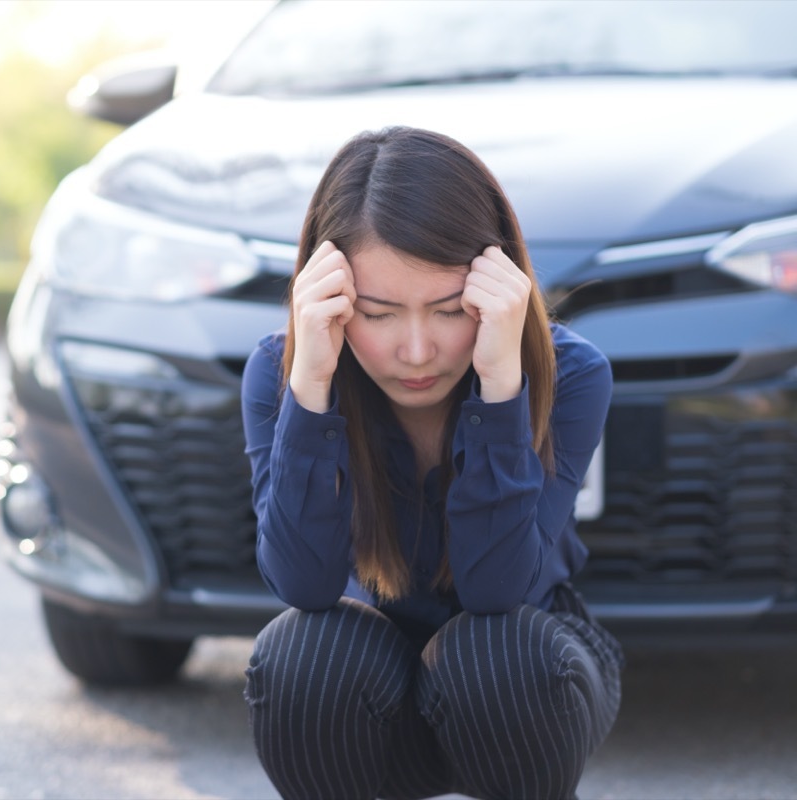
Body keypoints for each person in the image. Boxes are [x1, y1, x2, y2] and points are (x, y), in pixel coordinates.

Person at [240, 126, 624, 800]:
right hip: (366, 686)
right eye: (379, 314)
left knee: (495, 658)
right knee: (300, 657)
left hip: (522, 680)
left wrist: (502, 383)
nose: (416, 351)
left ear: (497, 285)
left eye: (450, 310)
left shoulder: (571, 374)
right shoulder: (284, 372)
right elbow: (302, 583)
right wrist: (311, 388)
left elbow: (496, 590)